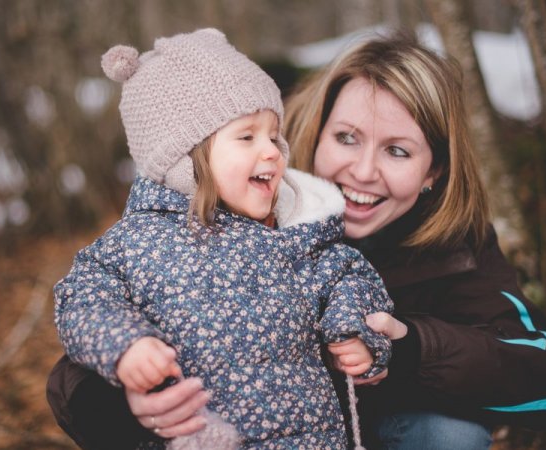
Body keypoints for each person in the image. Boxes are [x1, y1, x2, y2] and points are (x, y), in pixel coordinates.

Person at [47, 30, 546, 450]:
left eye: (397, 151)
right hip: (222, 431)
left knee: (448, 434)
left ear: (434, 170)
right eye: (346, 138)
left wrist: (411, 348)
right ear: (314, 131)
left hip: (355, 432)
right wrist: (130, 402)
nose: (362, 172)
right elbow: (86, 335)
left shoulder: (453, 246)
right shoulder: (231, 210)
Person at [52, 28, 394, 450]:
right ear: (184, 159)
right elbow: (82, 301)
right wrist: (126, 347)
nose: (272, 151)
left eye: (274, 135)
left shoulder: (292, 232)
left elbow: (350, 276)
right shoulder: (134, 246)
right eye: (247, 136)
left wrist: (355, 331)